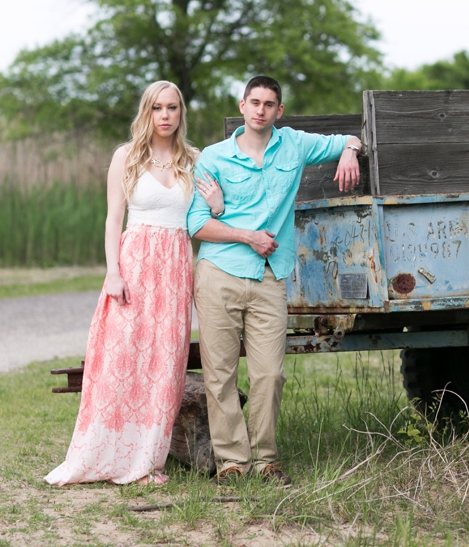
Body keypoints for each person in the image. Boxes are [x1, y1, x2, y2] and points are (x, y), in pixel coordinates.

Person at [46, 81, 224, 486]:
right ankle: (105, 454)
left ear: (181, 113)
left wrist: (217, 206)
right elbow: (112, 219)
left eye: (172, 108)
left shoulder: (192, 160)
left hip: (176, 267)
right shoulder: (125, 156)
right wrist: (113, 271)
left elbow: (204, 215)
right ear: (147, 112)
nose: (165, 115)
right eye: (157, 107)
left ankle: (146, 462)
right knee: (123, 360)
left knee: (164, 365)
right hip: (135, 262)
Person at [188, 75, 362, 487]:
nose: (261, 110)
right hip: (220, 273)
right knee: (220, 374)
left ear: (278, 111)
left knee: (270, 374)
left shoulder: (295, 144)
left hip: (269, 277)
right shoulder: (214, 157)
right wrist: (246, 234)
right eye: (254, 102)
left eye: (269, 104)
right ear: (243, 106)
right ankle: (232, 463)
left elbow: (348, 138)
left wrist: (351, 152)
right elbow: (196, 223)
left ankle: (266, 460)